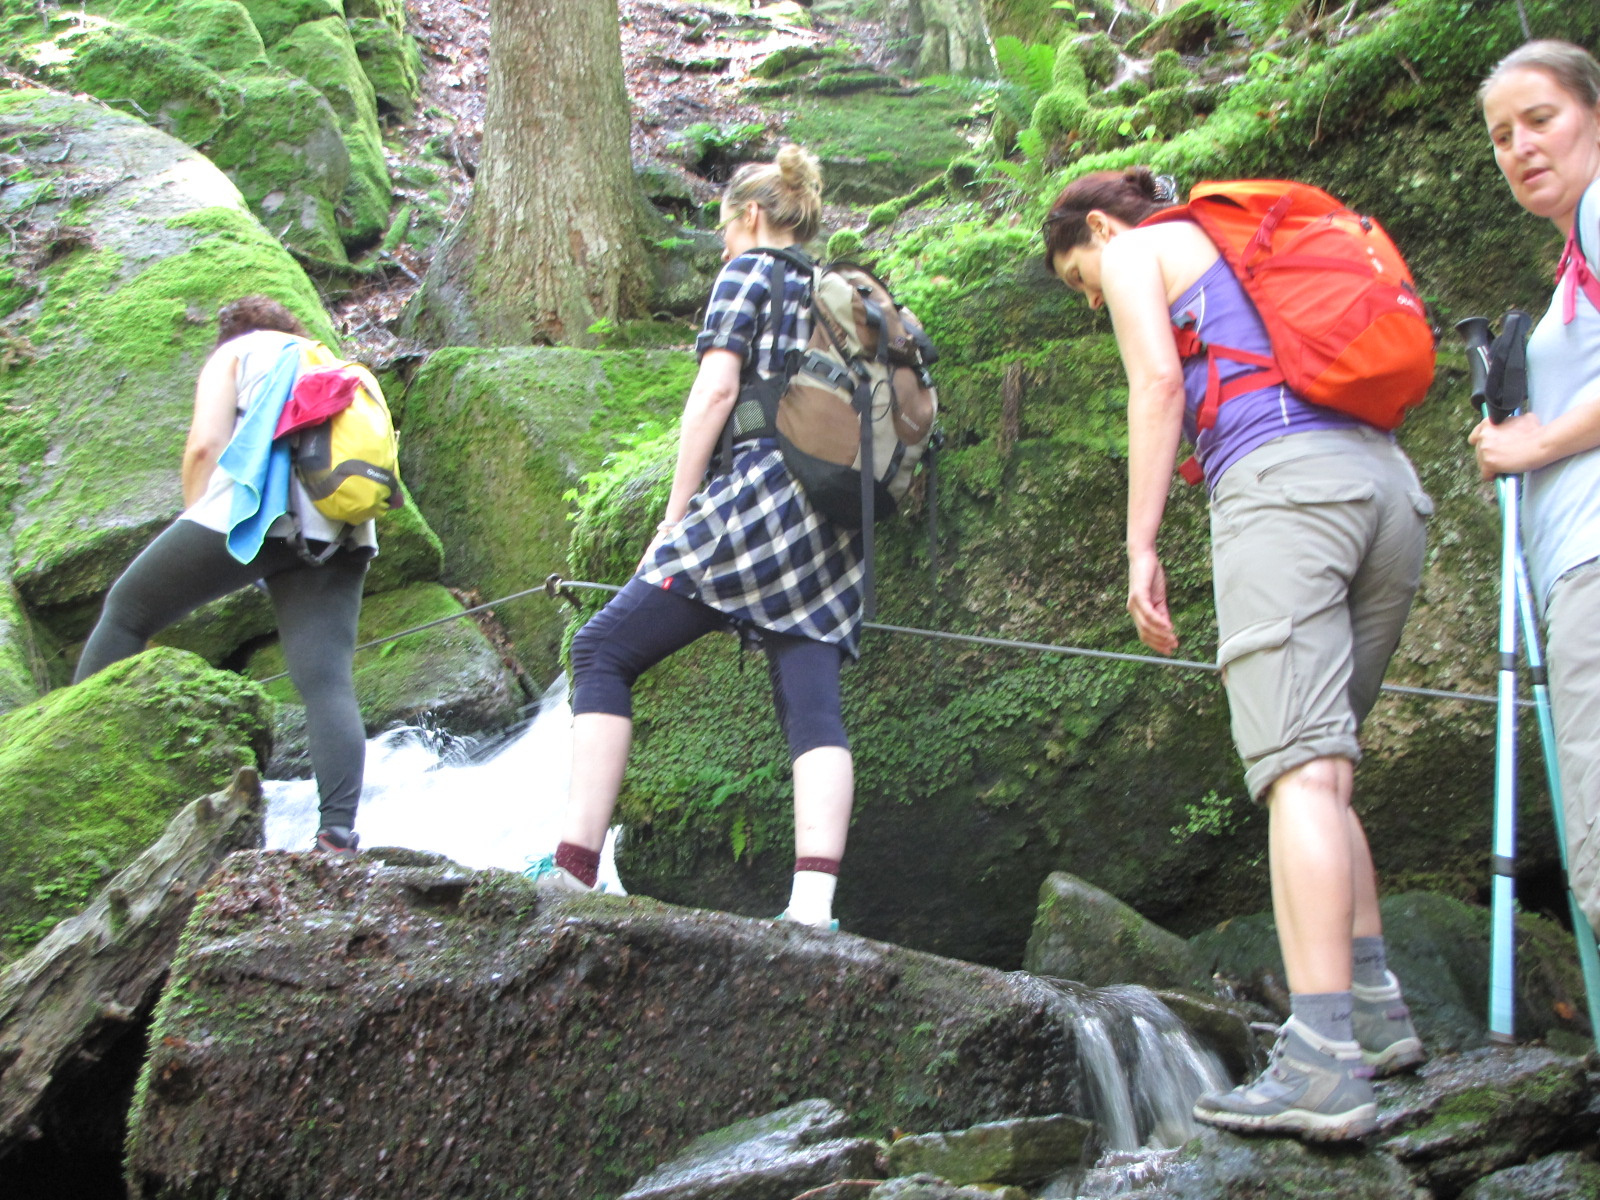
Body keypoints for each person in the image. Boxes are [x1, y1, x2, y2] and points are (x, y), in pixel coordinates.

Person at [1041, 168, 1432, 1141]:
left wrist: (1139, 546)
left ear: (1098, 227)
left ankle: (1319, 1064)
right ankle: (1375, 1012)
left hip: (1283, 489)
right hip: (1387, 492)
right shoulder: (1250, 247)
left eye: (1077, 279)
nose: (1093, 298)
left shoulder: (1140, 246)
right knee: (1324, 771)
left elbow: (1159, 383)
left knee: (1297, 773)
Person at [524, 145, 862, 930]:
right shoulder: (831, 289)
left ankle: (574, 869)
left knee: (601, 649)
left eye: (723, 232)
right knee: (811, 700)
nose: (722, 247)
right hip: (836, 518)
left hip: (757, 501)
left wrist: (674, 519)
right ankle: (813, 906)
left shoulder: (751, 272)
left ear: (750, 217)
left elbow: (714, 391)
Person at [75, 295, 375, 857]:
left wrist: (198, 517)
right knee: (327, 682)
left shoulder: (235, 353)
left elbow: (206, 446)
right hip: (340, 526)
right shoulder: (322, 358)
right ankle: (337, 835)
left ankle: (66, 756)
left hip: (254, 508)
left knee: (127, 611)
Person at [1474, 40, 1600, 939]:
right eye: (1501, 135)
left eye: (1541, 119)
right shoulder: (1574, 264)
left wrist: (1537, 441)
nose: (1520, 147)